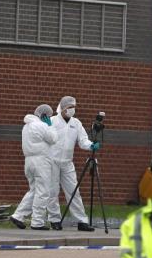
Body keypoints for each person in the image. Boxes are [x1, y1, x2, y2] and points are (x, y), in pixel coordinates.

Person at [49, 96, 100, 232]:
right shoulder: (52, 121)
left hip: (67, 162)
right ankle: (54, 219)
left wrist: (91, 145)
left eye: (74, 107)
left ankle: (81, 221)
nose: (72, 109)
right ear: (63, 107)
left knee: (74, 191)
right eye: (70, 107)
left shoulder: (76, 123)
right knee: (52, 191)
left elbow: (83, 140)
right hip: (52, 161)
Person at [10, 104, 58, 230]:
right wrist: (50, 126)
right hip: (41, 161)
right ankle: (37, 222)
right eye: (49, 116)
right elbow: (53, 139)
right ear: (44, 115)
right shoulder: (42, 125)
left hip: (29, 161)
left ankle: (18, 215)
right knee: (43, 192)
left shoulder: (26, 126)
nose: (49, 118)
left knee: (34, 191)